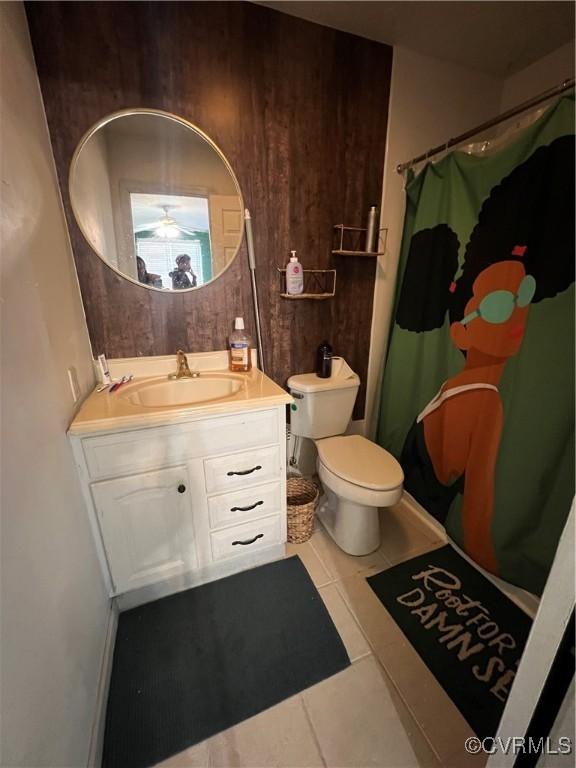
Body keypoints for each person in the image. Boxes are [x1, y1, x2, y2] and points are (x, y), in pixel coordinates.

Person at [395, 135, 574, 574]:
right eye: (496, 306)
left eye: (523, 294)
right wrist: (490, 576)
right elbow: (477, 513)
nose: (516, 314)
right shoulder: (486, 401)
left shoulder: (457, 386)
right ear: (459, 331)